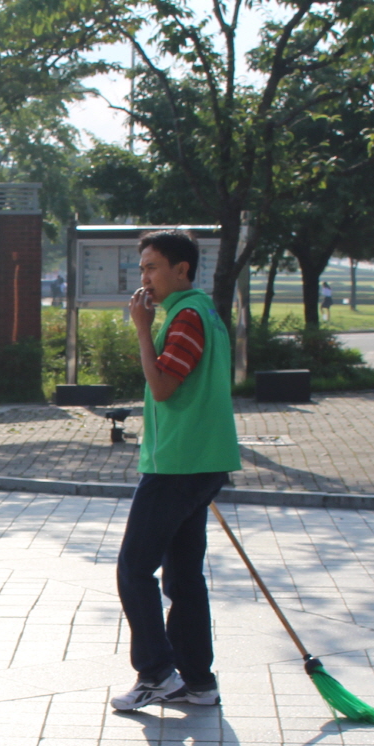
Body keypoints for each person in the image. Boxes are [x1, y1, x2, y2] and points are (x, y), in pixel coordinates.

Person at [109, 231, 241, 713]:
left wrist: (142, 329)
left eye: (152, 268)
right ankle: (198, 680)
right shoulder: (204, 312)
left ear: (181, 269)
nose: (144, 278)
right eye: (142, 268)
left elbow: (163, 386)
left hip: (178, 464)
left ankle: (157, 673)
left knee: (134, 568)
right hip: (200, 461)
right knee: (182, 576)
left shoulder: (186, 318)